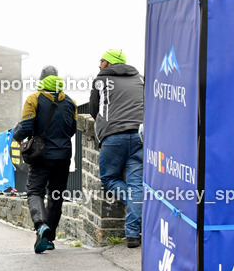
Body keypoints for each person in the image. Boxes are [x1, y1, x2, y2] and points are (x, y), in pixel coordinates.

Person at [12, 65, 78, 254]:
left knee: (34, 191)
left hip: (41, 156)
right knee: (56, 195)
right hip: (64, 156)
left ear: (41, 80)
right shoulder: (71, 102)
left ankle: (41, 226)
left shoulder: (34, 99)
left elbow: (25, 128)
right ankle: (49, 239)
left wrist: (17, 136)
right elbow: (72, 130)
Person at [89, 49, 145, 248]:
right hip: (140, 137)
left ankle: (134, 202)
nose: (99, 64)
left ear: (109, 63)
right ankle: (132, 235)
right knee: (137, 185)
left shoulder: (101, 81)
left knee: (109, 178)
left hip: (113, 138)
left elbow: (93, 110)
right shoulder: (140, 79)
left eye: (101, 60)